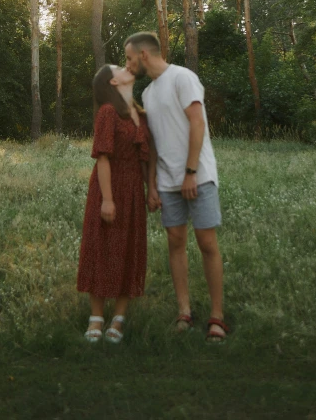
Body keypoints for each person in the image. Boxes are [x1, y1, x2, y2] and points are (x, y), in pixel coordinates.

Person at [124, 32, 229, 343]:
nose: (128, 65)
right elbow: (154, 142)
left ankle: (217, 316)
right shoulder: (149, 94)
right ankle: (184, 311)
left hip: (198, 175)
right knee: (175, 243)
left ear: (144, 54)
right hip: (168, 182)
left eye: (130, 58)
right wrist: (153, 184)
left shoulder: (183, 77)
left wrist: (190, 172)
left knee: (207, 242)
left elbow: (198, 123)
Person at [77, 64, 150, 343]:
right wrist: (107, 199)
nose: (126, 66)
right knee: (102, 245)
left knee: (129, 247)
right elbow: (103, 157)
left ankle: (118, 317)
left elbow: (145, 160)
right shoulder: (108, 112)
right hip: (108, 187)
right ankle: (96, 317)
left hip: (132, 189)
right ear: (113, 82)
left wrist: (152, 190)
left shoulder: (139, 115)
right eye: (119, 67)